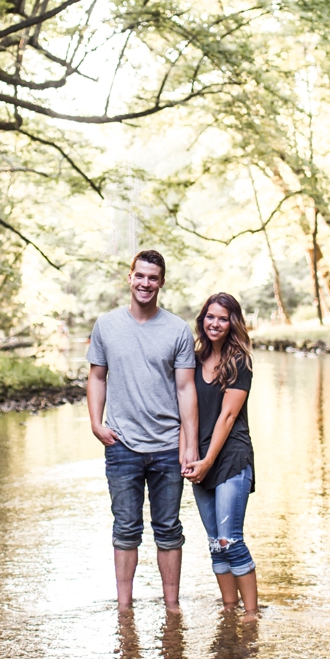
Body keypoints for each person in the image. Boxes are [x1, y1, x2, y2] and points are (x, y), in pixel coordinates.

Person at [86, 249, 199, 610]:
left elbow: (186, 389)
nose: (145, 283)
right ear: (130, 277)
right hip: (121, 445)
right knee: (125, 529)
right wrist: (95, 423)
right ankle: (124, 609)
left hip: (168, 446)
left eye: (153, 278)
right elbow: (97, 376)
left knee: (168, 529)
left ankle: (172, 607)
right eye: (140, 276)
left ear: (161, 282)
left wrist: (190, 444)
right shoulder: (106, 325)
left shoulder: (178, 329)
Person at [184, 292, 259, 620]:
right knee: (215, 542)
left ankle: (252, 614)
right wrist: (188, 457)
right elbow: (184, 412)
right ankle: (230, 609)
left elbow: (228, 417)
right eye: (210, 317)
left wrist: (208, 461)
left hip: (230, 459)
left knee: (231, 539)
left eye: (223, 318)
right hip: (201, 460)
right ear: (202, 320)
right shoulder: (194, 359)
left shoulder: (239, 361)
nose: (216, 323)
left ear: (233, 323)